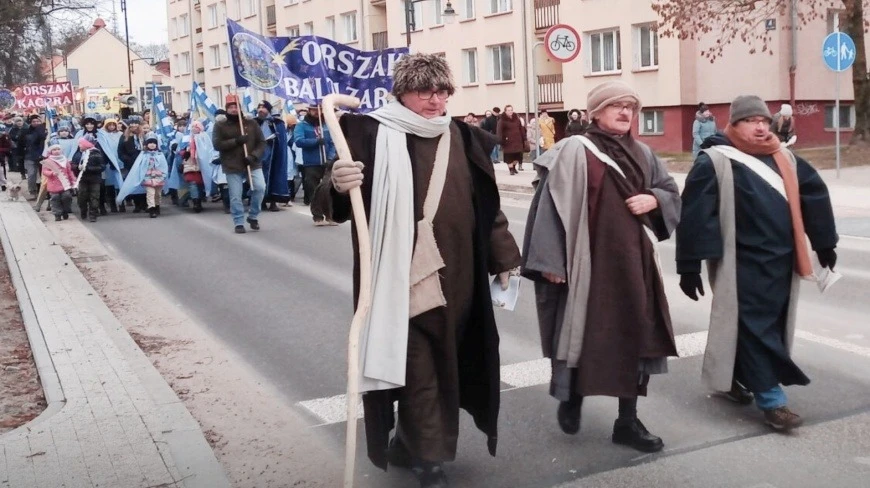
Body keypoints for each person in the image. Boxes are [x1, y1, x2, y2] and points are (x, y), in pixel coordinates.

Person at [329, 53, 521, 488]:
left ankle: (409, 443)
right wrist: (336, 183)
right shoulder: (368, 132)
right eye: (425, 92)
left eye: (443, 91)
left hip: (459, 276)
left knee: (447, 362)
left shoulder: (465, 138)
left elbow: (486, 206)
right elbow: (342, 206)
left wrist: (504, 257)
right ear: (402, 92)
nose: (436, 101)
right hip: (396, 277)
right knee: (418, 367)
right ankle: (430, 460)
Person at [521, 81, 681, 453]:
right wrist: (550, 261)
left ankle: (627, 420)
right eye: (616, 106)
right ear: (595, 112)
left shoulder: (643, 152)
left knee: (637, 337)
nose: (625, 113)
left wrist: (654, 199)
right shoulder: (573, 150)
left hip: (633, 263)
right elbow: (547, 207)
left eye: (630, 107)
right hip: (586, 264)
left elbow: (670, 191)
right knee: (580, 333)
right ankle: (572, 396)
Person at [676, 95, 838, 431]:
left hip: (780, 261)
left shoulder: (784, 157)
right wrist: (689, 264)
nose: (761, 126)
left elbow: (814, 197)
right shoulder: (716, 161)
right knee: (756, 327)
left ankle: (734, 377)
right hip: (740, 264)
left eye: (764, 120)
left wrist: (824, 244)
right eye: (751, 121)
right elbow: (695, 215)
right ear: (733, 125)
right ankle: (772, 400)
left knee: (765, 327)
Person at [213, 96, 266, 234]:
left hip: (251, 162)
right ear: (226, 109)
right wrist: (236, 141)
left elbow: (261, 142)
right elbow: (217, 144)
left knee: (260, 187)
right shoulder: (220, 125)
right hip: (232, 163)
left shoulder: (251, 123)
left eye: (236, 106)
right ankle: (238, 221)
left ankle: (253, 215)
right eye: (230, 107)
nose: (234, 109)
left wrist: (253, 156)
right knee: (236, 195)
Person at [294, 104, 337, 226]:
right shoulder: (302, 125)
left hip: (327, 162)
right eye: (313, 110)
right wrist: (316, 142)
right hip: (311, 163)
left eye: (318, 110)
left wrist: (330, 157)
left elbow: (333, 142)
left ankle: (330, 216)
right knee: (314, 190)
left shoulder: (326, 125)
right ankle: (318, 216)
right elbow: (299, 141)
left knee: (328, 188)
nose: (316, 112)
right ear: (309, 110)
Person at [116, 135, 169, 218]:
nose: (152, 144)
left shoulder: (160, 154)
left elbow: (164, 166)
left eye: (154, 143)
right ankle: (151, 209)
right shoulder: (143, 155)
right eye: (150, 143)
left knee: (157, 194)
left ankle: (157, 206)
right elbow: (139, 166)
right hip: (147, 177)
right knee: (150, 193)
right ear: (146, 144)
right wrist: (141, 176)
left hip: (159, 178)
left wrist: (164, 175)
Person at [255, 100, 291, 211]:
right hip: (259, 154)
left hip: (273, 154)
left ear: (269, 110)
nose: (261, 110)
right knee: (260, 178)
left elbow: (281, 139)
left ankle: (273, 201)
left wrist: (274, 139)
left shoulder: (277, 122)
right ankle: (261, 201)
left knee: (274, 176)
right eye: (259, 107)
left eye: (264, 107)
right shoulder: (254, 122)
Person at [71, 136, 106, 222]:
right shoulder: (78, 154)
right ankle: (83, 210)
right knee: (82, 196)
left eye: (81, 144)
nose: (79, 146)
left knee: (94, 197)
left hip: (95, 179)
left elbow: (102, 167)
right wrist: (76, 167)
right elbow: (73, 164)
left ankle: (93, 214)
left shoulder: (96, 153)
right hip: (82, 179)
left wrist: (88, 168)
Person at [40, 143, 75, 221]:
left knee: (67, 197)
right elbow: (44, 171)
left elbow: (69, 171)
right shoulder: (47, 161)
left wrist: (73, 180)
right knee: (55, 199)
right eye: (54, 150)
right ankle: (57, 214)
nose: (57, 151)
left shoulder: (65, 160)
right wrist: (51, 173)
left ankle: (65, 211)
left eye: (58, 149)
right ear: (51, 151)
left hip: (65, 184)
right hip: (53, 184)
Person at [118, 118, 145, 212]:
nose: (134, 126)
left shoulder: (143, 136)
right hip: (131, 164)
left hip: (143, 163)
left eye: (136, 124)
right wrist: (126, 159)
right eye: (132, 125)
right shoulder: (124, 137)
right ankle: (137, 204)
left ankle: (145, 203)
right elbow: (120, 151)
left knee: (144, 184)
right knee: (134, 185)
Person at [496, 104, 528, 174]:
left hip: (517, 140)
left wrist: (524, 137)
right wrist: (500, 140)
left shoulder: (516, 118)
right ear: (505, 111)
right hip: (507, 141)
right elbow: (499, 131)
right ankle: (511, 170)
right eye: (508, 110)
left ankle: (513, 167)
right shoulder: (502, 120)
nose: (510, 111)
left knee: (517, 155)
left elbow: (521, 128)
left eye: (511, 110)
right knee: (509, 156)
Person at [23, 115, 47, 198]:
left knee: (44, 175)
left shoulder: (45, 130)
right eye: (34, 121)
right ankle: (32, 191)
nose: (36, 123)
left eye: (38, 121)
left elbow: (43, 138)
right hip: (30, 156)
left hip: (43, 155)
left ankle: (44, 191)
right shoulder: (26, 131)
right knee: (31, 174)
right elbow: (22, 144)